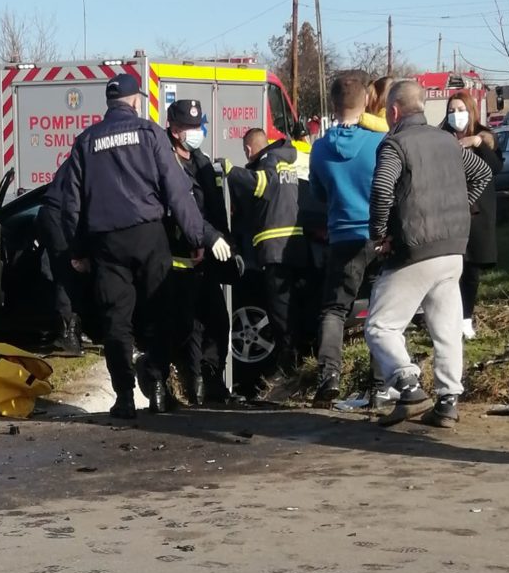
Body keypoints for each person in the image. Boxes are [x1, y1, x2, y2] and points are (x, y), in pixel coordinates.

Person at [60, 71, 230, 419]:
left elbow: (71, 203)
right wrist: (197, 236)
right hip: (149, 235)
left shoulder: (86, 141)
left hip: (106, 243)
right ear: (136, 101)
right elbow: (176, 190)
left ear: (108, 103)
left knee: (116, 321)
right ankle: (156, 383)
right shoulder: (149, 133)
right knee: (160, 312)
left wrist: (78, 250)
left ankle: (124, 397)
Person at [364, 79, 492, 430]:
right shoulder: (449, 143)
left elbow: (380, 189)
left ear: (393, 111)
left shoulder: (395, 144)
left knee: (379, 327)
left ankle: (408, 387)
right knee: (447, 328)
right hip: (454, 250)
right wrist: (458, 210)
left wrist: (379, 235)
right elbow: (482, 172)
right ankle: (448, 402)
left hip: (415, 249)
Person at [308, 70, 386, 405]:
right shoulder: (381, 142)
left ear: (334, 104)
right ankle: (382, 382)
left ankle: (329, 378)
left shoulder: (320, 149)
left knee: (334, 309)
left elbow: (317, 193)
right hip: (380, 236)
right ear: (368, 99)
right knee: (383, 310)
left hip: (341, 236)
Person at [163, 98, 238, 406]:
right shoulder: (167, 163)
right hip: (178, 262)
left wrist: (226, 242)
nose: (197, 131)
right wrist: (207, 237)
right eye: (190, 127)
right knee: (188, 329)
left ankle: (213, 380)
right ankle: (192, 388)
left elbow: (215, 208)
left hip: (207, 259)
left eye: (199, 125)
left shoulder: (201, 160)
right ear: (174, 129)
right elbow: (182, 210)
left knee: (219, 323)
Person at [227, 126, 304, 395]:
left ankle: (289, 371)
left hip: (275, 251)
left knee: (281, 314)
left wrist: (230, 170)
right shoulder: (287, 161)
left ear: (249, 149)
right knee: (289, 312)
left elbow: (258, 185)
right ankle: (293, 366)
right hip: (294, 248)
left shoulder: (268, 164)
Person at [440, 90, 503, 339]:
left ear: (471, 110)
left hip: (478, 212)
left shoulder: (484, 136)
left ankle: (466, 318)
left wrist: (478, 143)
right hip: (448, 210)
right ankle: (449, 318)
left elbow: (496, 167)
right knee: (450, 268)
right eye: (452, 110)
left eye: (461, 110)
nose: (456, 115)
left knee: (472, 269)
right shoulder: (441, 136)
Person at [35, 157, 84, 355]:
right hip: (58, 215)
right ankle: (67, 336)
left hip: (56, 214)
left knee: (68, 271)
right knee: (67, 271)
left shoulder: (86, 155)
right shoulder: (90, 157)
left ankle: (75, 329)